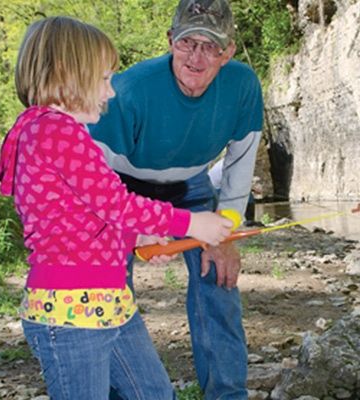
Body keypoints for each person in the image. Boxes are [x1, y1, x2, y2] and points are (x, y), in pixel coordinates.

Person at [0, 16, 233, 400]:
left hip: (110, 300)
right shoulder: (54, 130)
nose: (110, 93)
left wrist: (135, 237)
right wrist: (190, 223)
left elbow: (74, 217)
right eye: (104, 79)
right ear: (65, 73)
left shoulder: (46, 132)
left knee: (155, 393)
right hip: (70, 311)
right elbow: (114, 202)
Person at [89, 0, 263, 398]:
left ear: (229, 52)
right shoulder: (129, 91)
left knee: (219, 276)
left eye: (211, 46)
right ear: (170, 41)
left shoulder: (243, 87)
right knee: (109, 287)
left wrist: (227, 233)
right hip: (121, 187)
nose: (197, 57)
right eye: (188, 43)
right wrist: (134, 231)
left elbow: (240, 166)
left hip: (191, 185)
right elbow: (93, 176)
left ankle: (227, 393)